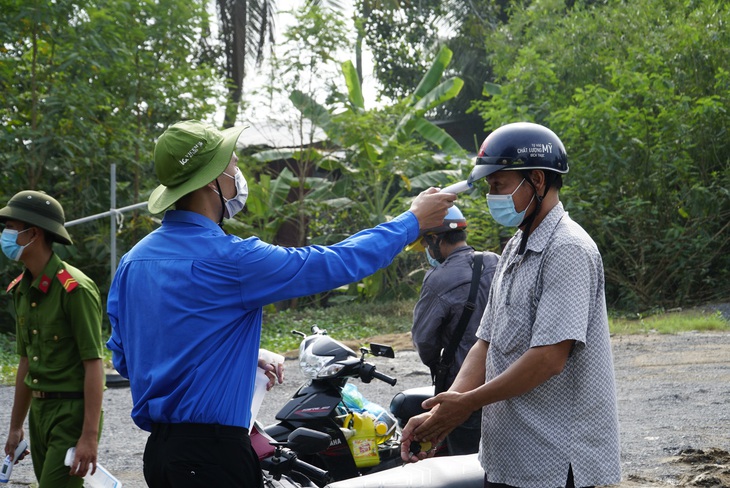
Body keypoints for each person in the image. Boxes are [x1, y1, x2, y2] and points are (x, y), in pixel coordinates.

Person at [105, 119, 456, 488]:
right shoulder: (232, 260)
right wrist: (411, 222)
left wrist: (230, 354)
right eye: (234, 166)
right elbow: (334, 262)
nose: (238, 173)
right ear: (212, 182)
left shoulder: (132, 261)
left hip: (160, 457)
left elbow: (128, 359)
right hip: (213, 458)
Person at [401, 122, 621, 488]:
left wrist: (467, 403)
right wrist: (447, 408)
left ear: (536, 179)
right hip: (507, 457)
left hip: (553, 462)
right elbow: (485, 341)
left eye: (498, 185)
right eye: (488, 187)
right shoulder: (515, 247)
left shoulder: (567, 249)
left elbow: (549, 358)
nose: (492, 196)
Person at [1, 190, 105, 487]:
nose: (5, 234)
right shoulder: (22, 289)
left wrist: (89, 435)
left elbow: (94, 364)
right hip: (40, 413)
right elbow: (25, 362)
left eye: (11, 227)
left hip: (71, 414)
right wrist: (16, 427)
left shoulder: (75, 290)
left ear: (33, 233)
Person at [409, 205, 499, 455]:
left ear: (435, 239)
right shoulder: (495, 261)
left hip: (460, 390)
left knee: (464, 463)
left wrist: (437, 363)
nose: (428, 251)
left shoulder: (438, 278)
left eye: (427, 245)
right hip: (502, 383)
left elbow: (424, 340)